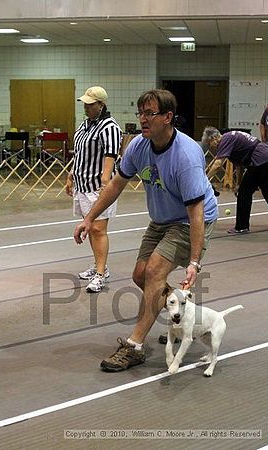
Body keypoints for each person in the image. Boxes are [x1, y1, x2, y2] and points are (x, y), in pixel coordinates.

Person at [73, 89, 218, 372]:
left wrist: (194, 262)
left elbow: (196, 213)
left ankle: (135, 345)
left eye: (149, 113)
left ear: (168, 117)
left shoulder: (186, 156)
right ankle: (182, 313)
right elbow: (116, 184)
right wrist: (89, 218)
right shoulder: (139, 146)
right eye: (140, 113)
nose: (142, 119)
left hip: (190, 221)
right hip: (162, 219)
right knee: (140, 275)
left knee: (153, 273)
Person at [66, 86, 122, 293]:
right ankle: (100, 266)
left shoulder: (110, 126)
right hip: (82, 185)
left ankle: (100, 274)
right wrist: (71, 174)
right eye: (85, 104)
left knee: (98, 229)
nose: (87, 107)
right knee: (90, 227)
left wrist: (105, 182)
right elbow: (80, 153)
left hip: (97, 188)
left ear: (101, 105)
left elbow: (110, 154)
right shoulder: (84, 125)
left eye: (91, 104)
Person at [202, 127, 268, 234]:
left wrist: (205, 180)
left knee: (244, 193)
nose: (210, 147)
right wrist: (238, 184)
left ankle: (242, 226)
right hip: (266, 156)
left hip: (259, 159)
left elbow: (217, 165)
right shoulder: (229, 138)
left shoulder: (225, 140)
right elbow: (239, 165)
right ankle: (242, 225)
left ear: (214, 138)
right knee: (267, 190)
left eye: (209, 143)